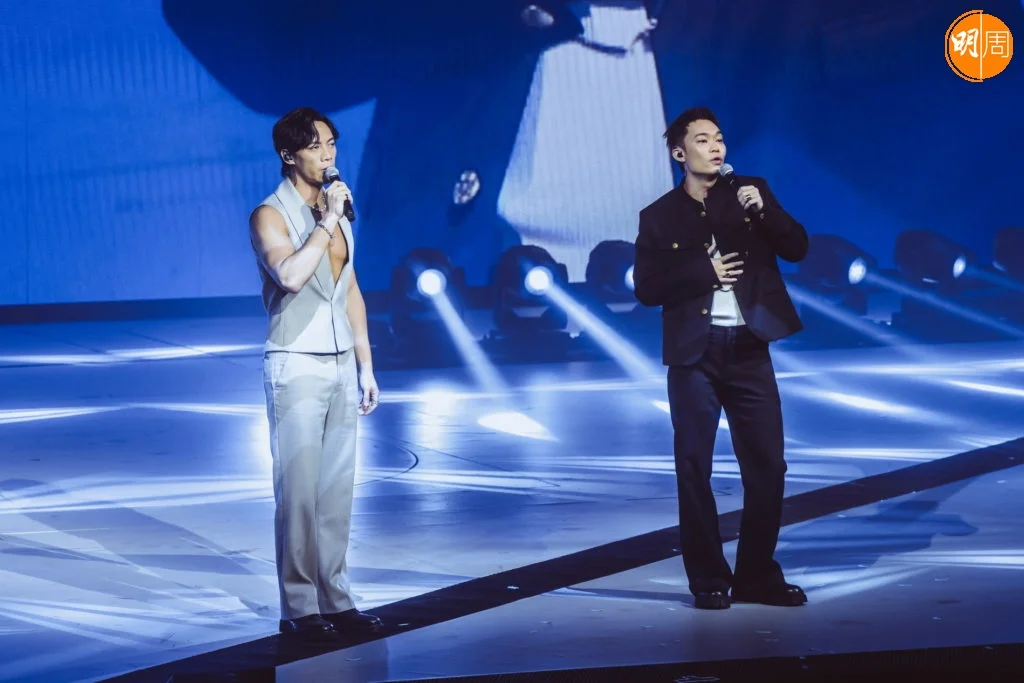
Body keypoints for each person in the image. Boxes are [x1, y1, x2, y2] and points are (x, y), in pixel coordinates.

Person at [632, 106, 809, 610]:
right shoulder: (658, 215)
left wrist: (765, 211)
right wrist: (703, 272)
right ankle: (709, 578)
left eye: (720, 139)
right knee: (694, 467)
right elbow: (646, 289)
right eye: (703, 140)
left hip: (750, 347)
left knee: (768, 466)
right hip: (696, 355)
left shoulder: (751, 192)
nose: (715, 147)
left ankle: (757, 575)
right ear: (679, 152)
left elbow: (797, 247)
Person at [249, 107, 382, 640]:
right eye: (315, 146)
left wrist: (365, 364)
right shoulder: (269, 214)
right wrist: (327, 221)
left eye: (331, 144)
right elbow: (290, 275)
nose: (327, 155)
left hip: (340, 360)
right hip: (296, 361)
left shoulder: (337, 210)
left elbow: (350, 289)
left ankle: (337, 598)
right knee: (299, 494)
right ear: (289, 155)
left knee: (336, 491)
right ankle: (300, 609)